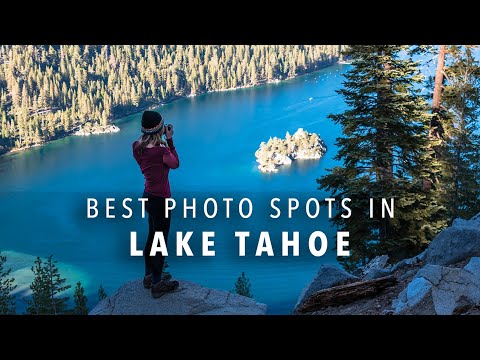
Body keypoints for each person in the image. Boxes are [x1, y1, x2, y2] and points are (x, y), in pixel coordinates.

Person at [132, 110, 180, 298]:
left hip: (147, 197)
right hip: (161, 201)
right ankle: (157, 284)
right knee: (160, 241)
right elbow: (175, 164)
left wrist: (156, 138)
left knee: (152, 237)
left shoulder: (136, 147)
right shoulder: (162, 152)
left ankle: (148, 276)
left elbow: (145, 148)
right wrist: (169, 141)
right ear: (160, 129)